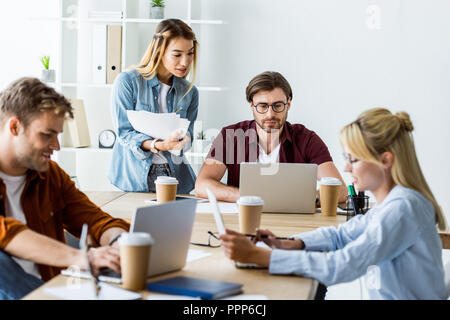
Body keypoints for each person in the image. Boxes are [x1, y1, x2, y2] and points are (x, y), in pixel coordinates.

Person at [219, 108, 448, 300]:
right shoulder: (389, 206)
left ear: (385, 160)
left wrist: (258, 256)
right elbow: (340, 237)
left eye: (353, 159)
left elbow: (341, 265)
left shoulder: (404, 208)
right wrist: (290, 243)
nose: (346, 168)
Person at [0, 77, 130, 300]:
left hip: (56, 291)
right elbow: (6, 232)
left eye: (58, 135)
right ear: (14, 127)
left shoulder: (50, 175)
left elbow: (95, 220)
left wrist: (119, 244)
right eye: (47, 135)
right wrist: (82, 258)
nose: (56, 146)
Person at [195, 71, 347, 203]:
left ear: (288, 104)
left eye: (278, 105)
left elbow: (340, 190)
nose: (270, 114)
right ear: (251, 105)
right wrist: (246, 197)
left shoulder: (306, 139)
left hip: (292, 223)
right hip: (244, 218)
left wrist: (305, 199)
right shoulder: (231, 136)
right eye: (262, 106)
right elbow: (202, 185)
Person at [108, 19, 199, 193]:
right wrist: (159, 145)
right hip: (135, 176)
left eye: (190, 53)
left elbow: (189, 135)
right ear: (159, 51)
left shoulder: (190, 92)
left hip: (176, 176)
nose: (185, 62)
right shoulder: (128, 82)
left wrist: (185, 140)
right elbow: (124, 133)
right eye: (177, 54)